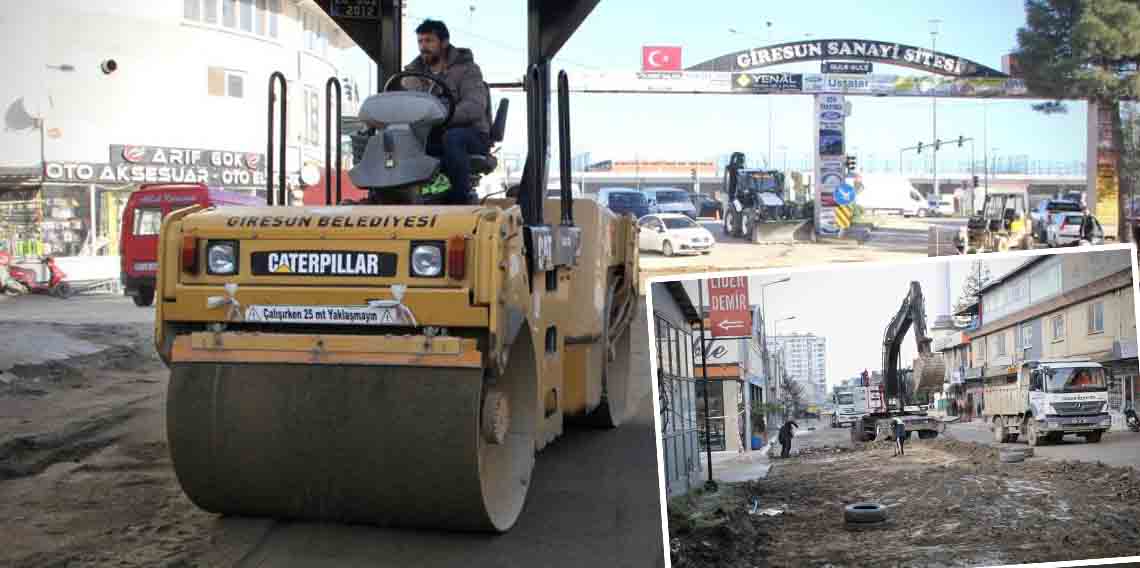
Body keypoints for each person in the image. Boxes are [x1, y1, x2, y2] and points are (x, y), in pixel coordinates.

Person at [402, 19, 491, 205]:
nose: (423, 46)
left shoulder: (468, 70)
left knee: (452, 137)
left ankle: (458, 200)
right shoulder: (412, 75)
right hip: (430, 133)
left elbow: (474, 106)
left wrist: (442, 117)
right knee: (399, 138)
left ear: (444, 43)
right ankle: (398, 197)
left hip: (471, 134)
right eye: (420, 41)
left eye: (429, 41)